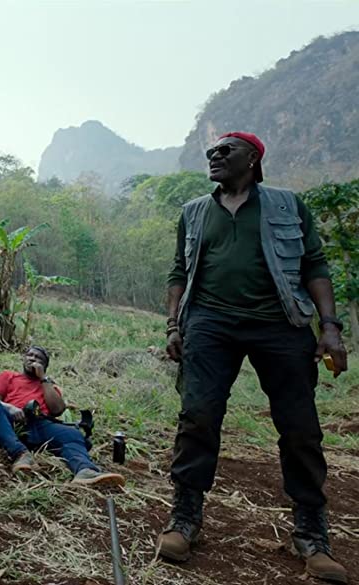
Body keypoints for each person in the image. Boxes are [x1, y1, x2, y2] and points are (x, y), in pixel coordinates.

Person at [159, 132, 349, 584]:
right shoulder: (194, 212)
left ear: (253, 158)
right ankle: (185, 516)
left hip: (280, 324)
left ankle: (311, 531)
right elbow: (179, 272)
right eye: (212, 151)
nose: (215, 155)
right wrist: (172, 325)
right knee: (198, 415)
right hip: (210, 322)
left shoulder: (286, 205)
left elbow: (314, 265)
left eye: (226, 150)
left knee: (300, 426)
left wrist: (330, 327)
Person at [0, 346, 125, 486]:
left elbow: (57, 410)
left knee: (72, 434)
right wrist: (10, 408)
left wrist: (43, 379)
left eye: (38, 358)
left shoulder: (49, 385)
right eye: (30, 355)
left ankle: (85, 471)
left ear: (44, 366)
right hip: (10, 422)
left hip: (39, 423)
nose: (32, 359)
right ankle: (20, 454)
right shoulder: (9, 376)